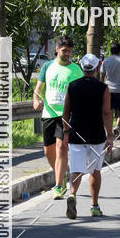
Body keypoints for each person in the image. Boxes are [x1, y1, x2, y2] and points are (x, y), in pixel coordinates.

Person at [62, 53, 113, 219]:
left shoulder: (72, 86)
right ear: (97, 68)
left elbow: (65, 113)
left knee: (76, 169)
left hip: (76, 133)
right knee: (95, 171)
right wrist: (110, 135)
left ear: (82, 67)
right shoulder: (103, 88)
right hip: (96, 135)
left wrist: (65, 133)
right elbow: (106, 113)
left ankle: (72, 194)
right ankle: (94, 205)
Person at [33, 35, 83, 199]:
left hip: (66, 115)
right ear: (56, 49)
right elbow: (38, 89)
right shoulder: (47, 66)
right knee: (48, 151)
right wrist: (35, 100)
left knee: (62, 147)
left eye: (69, 51)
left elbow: (80, 92)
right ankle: (60, 173)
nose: (67, 53)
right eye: (64, 51)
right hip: (48, 113)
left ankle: (58, 185)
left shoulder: (75, 70)